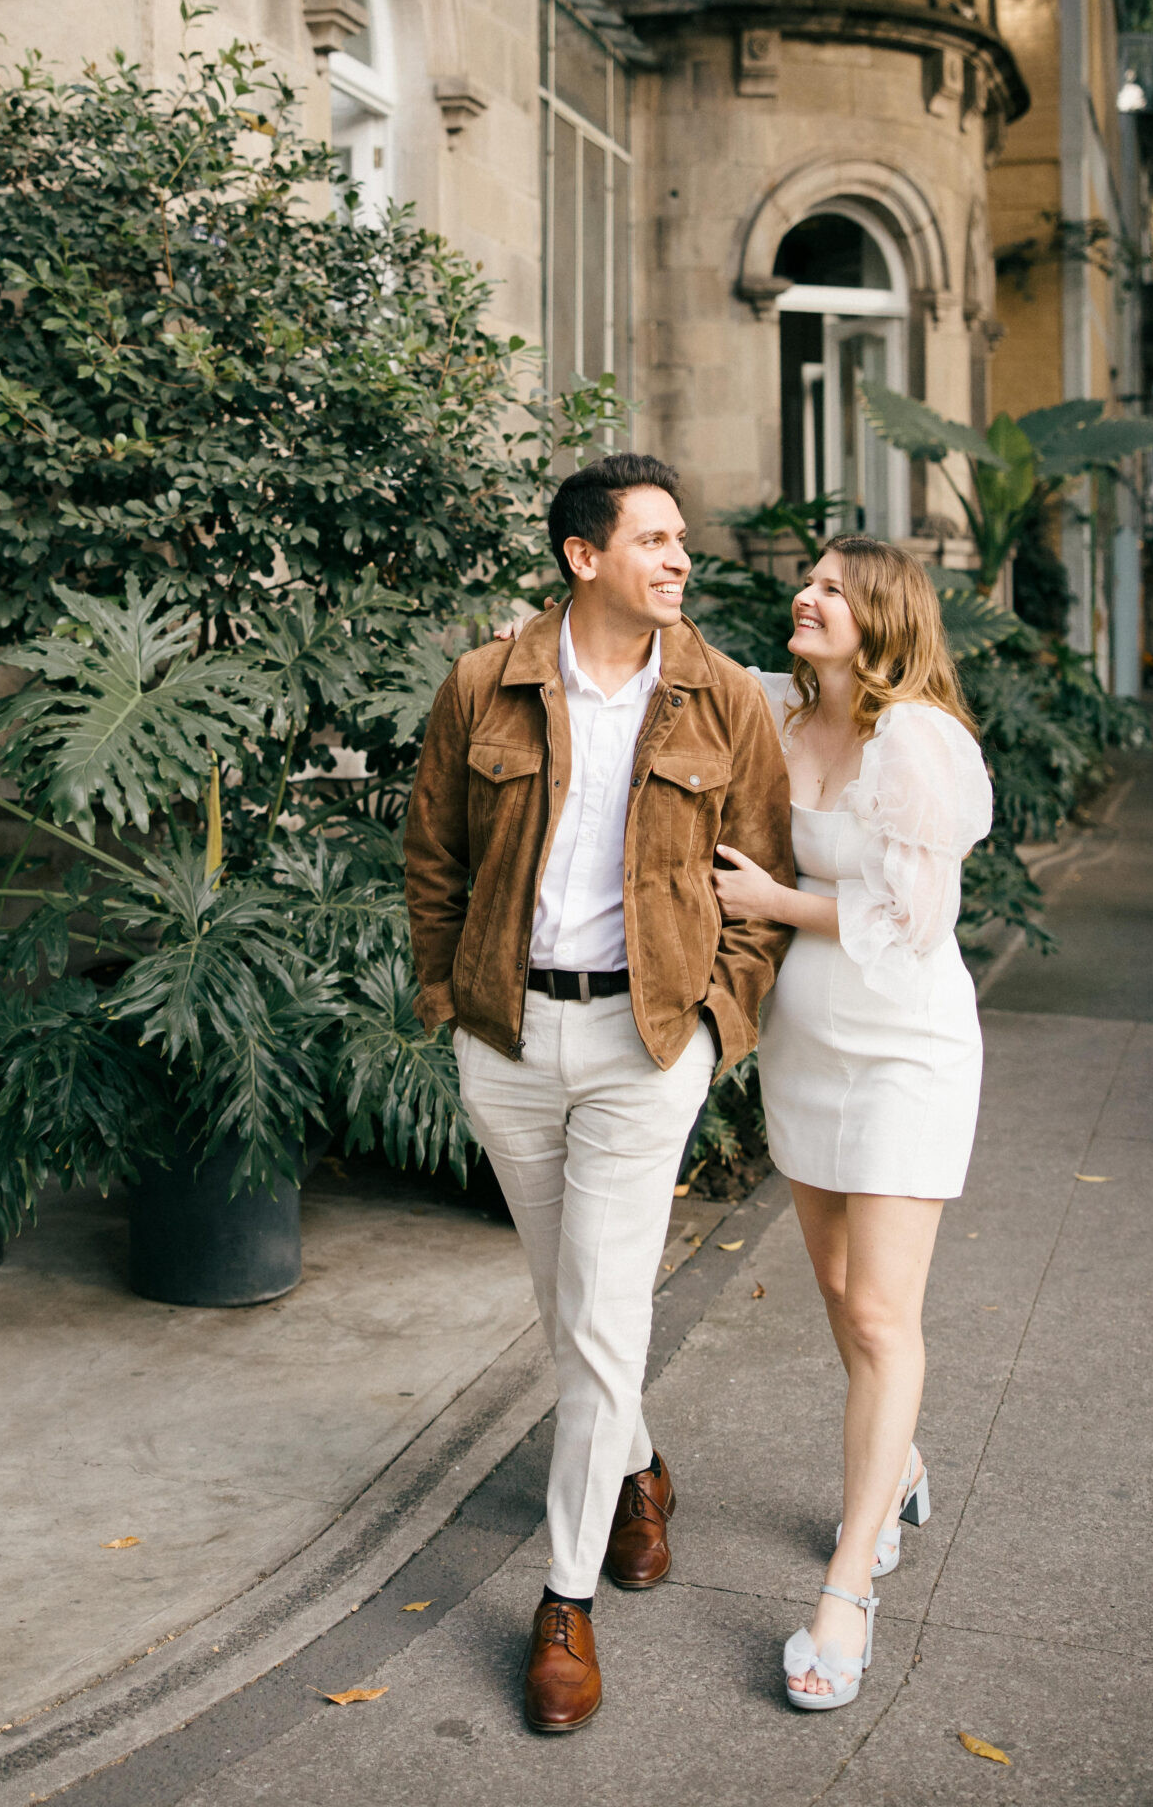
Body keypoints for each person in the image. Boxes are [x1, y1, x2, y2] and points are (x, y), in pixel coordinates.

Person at [404, 452, 793, 1736]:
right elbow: (434, 859)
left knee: (602, 1314)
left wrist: (711, 1027)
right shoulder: (486, 683)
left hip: (646, 1042)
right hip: (511, 1039)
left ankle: (563, 1601)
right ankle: (637, 1467)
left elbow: (763, 880)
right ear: (585, 557)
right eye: (656, 540)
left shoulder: (723, 696)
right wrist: (448, 998)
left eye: (683, 540)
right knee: (568, 1309)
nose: (682, 559)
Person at [711, 535, 992, 1713]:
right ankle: (901, 1462)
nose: (806, 596)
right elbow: (681, 669)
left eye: (832, 587)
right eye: (807, 580)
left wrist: (777, 901)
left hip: (905, 1046)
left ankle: (848, 1583)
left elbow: (916, 916)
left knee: (882, 1311)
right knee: (834, 1284)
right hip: (808, 1042)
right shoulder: (775, 712)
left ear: (882, 617)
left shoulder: (919, 741)